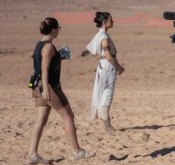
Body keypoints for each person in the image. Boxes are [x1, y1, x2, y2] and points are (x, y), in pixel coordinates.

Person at [26, 17, 95, 164]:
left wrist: (59, 57)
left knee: (40, 121)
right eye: (59, 28)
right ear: (53, 30)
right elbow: (44, 70)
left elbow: (42, 67)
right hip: (48, 87)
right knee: (68, 117)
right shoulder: (49, 47)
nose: (59, 30)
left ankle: (32, 154)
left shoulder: (40, 44)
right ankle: (77, 151)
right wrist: (46, 90)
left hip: (37, 85)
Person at [86, 12, 124, 132]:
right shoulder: (104, 37)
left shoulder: (101, 35)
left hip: (103, 66)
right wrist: (118, 67)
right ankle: (107, 125)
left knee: (103, 93)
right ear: (104, 22)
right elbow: (108, 56)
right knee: (107, 93)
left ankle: (106, 123)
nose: (113, 22)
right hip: (108, 66)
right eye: (111, 20)